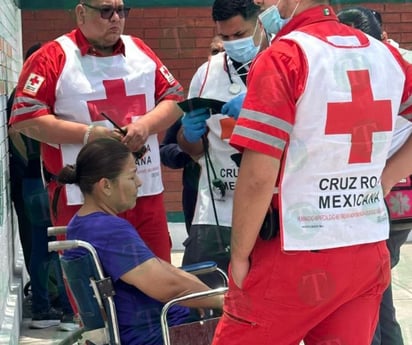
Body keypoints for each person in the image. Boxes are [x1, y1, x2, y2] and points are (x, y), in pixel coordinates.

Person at [211, 0, 412, 344]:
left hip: (292, 253)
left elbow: (259, 174)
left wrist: (240, 254)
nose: (259, 2)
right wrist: (385, 179)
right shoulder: (385, 57)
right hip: (364, 245)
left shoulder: (285, 57)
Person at [9, 0, 184, 264]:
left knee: (159, 276)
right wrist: (88, 135)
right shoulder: (52, 56)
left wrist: (145, 126)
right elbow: (24, 118)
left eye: (121, 10)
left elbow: (175, 99)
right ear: (81, 13)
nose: (116, 18)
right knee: (91, 288)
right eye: (105, 11)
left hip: (143, 191)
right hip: (81, 198)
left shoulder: (140, 50)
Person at [60, 138, 223, 345]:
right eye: (132, 176)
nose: (139, 182)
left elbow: (161, 269)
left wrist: (204, 294)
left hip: (151, 328)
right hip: (157, 334)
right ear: (106, 185)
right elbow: (166, 287)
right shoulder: (110, 230)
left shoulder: (80, 224)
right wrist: (222, 300)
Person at [176, 0, 266, 285]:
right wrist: (189, 134)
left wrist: (257, 110)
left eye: (239, 35)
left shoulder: (285, 65)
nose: (232, 44)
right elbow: (191, 149)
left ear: (260, 25)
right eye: (225, 37)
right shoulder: (207, 73)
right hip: (215, 210)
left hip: (270, 212)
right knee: (201, 301)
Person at [338, 7, 411, 345]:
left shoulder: (396, 66)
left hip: (388, 196)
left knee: (369, 292)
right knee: (376, 296)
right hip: (359, 193)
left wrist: (385, 177)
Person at [7, 42, 76, 330]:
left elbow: (15, 135)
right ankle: (63, 310)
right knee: (57, 246)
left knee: (40, 247)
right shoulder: (39, 95)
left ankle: (43, 309)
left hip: (32, 181)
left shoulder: (18, 96)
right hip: (45, 181)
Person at [159, 35, 225, 235]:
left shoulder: (248, 97)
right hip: (197, 197)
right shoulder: (195, 102)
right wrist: (188, 150)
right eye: (215, 52)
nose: (220, 57)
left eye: (225, 52)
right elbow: (165, 150)